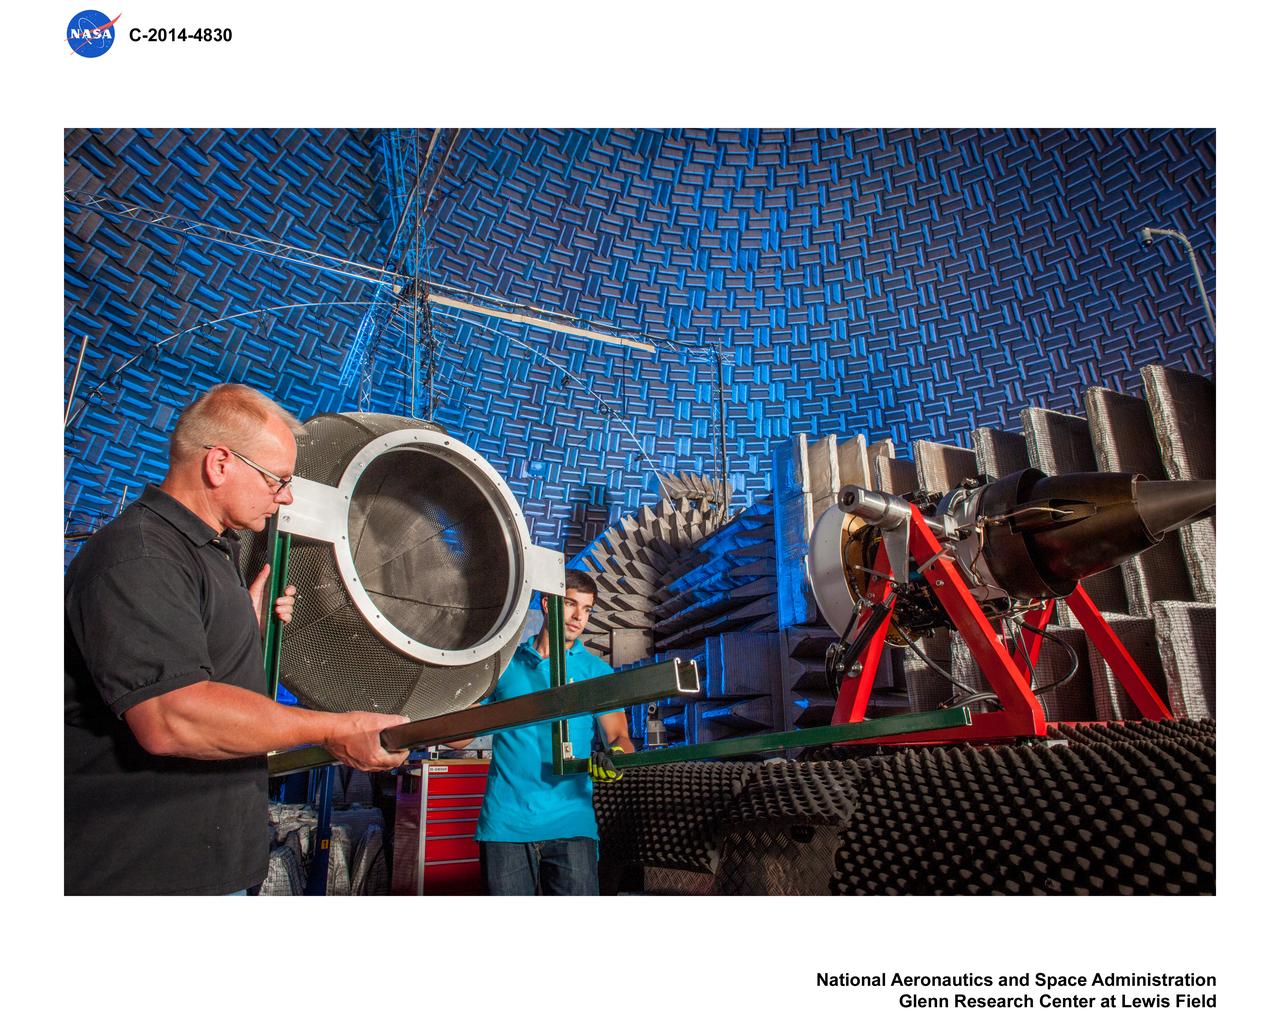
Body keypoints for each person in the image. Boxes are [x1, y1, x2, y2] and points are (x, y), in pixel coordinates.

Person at [64, 383, 409, 895]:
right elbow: (171, 717)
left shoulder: (210, 553)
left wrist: (247, 634)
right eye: (278, 480)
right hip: (143, 875)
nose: (287, 496)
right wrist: (335, 728)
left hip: (206, 867)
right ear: (220, 464)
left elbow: (205, 682)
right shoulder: (142, 556)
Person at [447, 569, 633, 895]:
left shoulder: (595, 672)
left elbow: (620, 737)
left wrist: (615, 757)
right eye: (572, 605)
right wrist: (422, 719)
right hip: (506, 822)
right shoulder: (506, 664)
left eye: (587, 610)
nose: (579, 617)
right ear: (548, 603)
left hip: (571, 822)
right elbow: (460, 736)